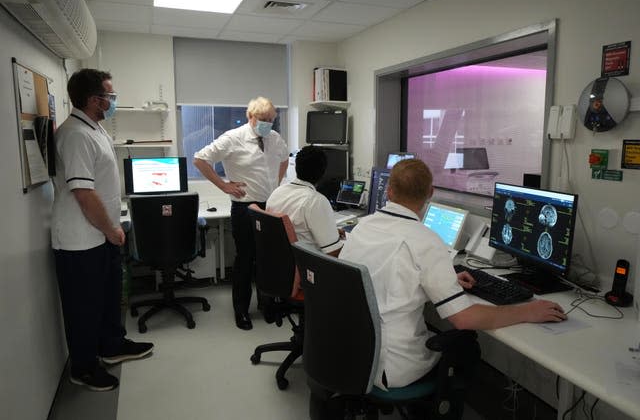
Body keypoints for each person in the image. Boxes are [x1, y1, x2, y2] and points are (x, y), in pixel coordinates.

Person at [339, 159, 566, 390]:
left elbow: (382, 277)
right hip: (393, 364)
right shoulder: (425, 240)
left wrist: (443, 280)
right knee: (467, 344)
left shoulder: (363, 227)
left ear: (389, 190)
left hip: (353, 352)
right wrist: (527, 311)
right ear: (431, 193)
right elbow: (464, 319)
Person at [51, 69, 153, 392]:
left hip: (103, 234)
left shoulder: (94, 129)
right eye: (110, 95)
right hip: (81, 241)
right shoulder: (75, 135)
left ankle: (113, 346)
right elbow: (83, 193)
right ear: (95, 100)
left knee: (108, 298)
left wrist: (112, 228)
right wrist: (111, 229)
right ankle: (83, 368)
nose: (113, 101)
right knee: (84, 307)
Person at [194, 97, 289, 331]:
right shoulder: (233, 137)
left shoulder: (274, 138)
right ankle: (241, 311)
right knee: (245, 259)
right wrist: (224, 186)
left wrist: (276, 184)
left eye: (271, 120)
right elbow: (200, 159)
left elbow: (285, 160)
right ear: (250, 117)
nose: (268, 124)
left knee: (267, 259)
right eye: (263, 120)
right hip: (244, 207)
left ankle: (266, 305)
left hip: (269, 206)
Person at [266, 146, 343, 257]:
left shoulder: (277, 192)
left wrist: (330, 232)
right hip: (307, 266)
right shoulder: (316, 201)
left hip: (280, 260)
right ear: (323, 172)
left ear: (297, 167)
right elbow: (333, 253)